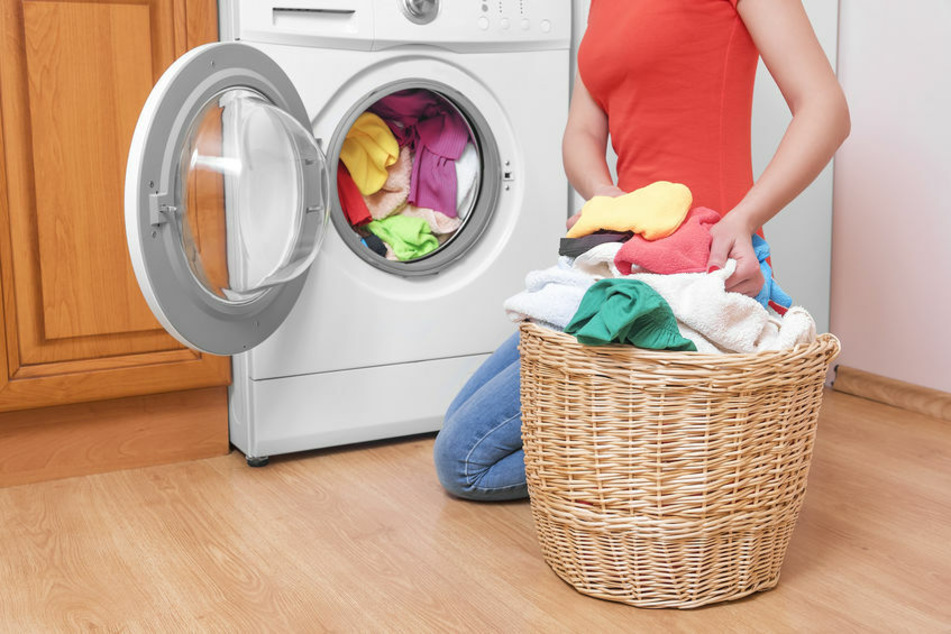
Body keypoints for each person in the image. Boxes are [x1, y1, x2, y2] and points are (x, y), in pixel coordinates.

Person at [433, 0, 850, 501]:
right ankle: (658, 459)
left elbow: (825, 108)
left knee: (462, 462)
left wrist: (744, 217)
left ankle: (661, 463)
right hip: (624, 265)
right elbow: (582, 133)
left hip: (696, 273)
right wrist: (606, 197)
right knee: (459, 428)